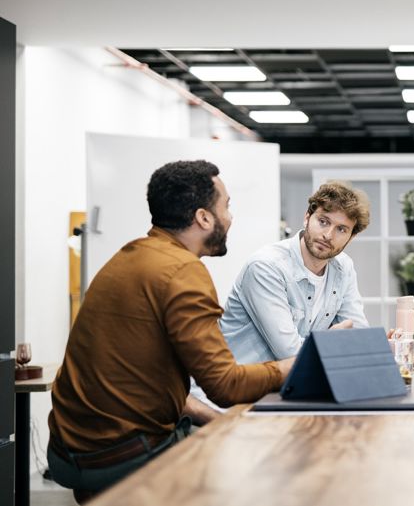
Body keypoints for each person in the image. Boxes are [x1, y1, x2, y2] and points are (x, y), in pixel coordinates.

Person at [47, 160, 295, 502]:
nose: (231, 217)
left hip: (69, 449)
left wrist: (217, 420)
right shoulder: (183, 271)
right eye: (227, 206)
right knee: (259, 472)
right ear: (204, 218)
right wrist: (292, 365)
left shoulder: (129, 255)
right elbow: (225, 385)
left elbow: (143, 384)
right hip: (119, 454)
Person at [186, 182, 370, 422]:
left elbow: (360, 338)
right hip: (227, 406)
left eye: (341, 229)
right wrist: (331, 344)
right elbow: (290, 353)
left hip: (284, 398)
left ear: (351, 237)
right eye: (323, 221)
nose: (328, 235)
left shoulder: (343, 267)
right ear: (307, 217)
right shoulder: (266, 267)